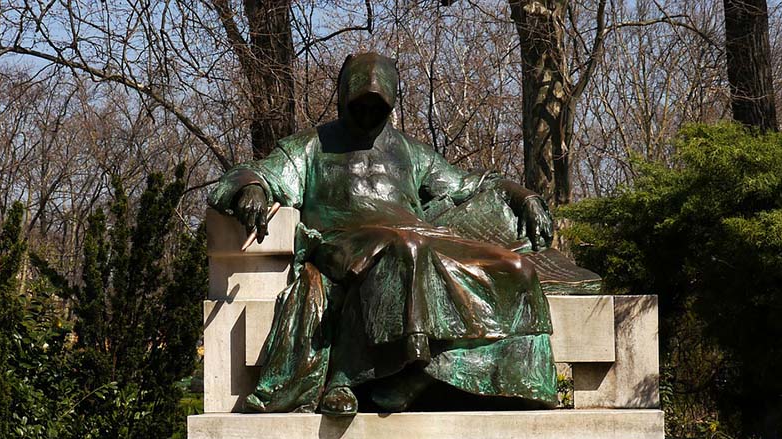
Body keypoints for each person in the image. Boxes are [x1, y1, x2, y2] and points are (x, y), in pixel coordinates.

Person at [209, 52, 560, 415]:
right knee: (405, 247)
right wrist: (250, 188)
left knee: (518, 268)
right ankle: (361, 376)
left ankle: (461, 377)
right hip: (341, 242)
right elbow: (255, 172)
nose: (366, 113)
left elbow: (469, 184)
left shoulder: (412, 152)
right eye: (359, 104)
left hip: (416, 239)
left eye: (376, 106)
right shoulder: (309, 146)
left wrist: (525, 197)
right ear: (343, 98)